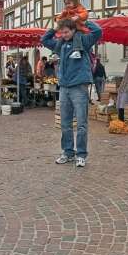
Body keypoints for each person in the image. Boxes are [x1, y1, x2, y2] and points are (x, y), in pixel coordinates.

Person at [39, 17, 103, 167]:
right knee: (65, 123)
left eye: (66, 32)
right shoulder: (60, 44)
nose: (64, 35)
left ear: (74, 30)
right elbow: (44, 39)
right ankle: (68, 152)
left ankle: (81, 154)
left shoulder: (83, 41)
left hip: (79, 87)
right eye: (62, 32)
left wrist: (83, 22)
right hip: (64, 87)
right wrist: (56, 28)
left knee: (81, 123)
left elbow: (98, 31)